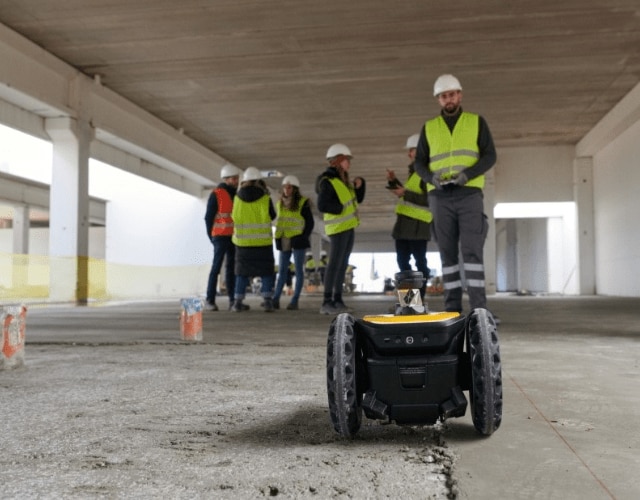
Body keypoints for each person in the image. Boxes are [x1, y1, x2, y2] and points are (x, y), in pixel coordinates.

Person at [414, 74, 497, 315]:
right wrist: (431, 179)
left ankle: (479, 309)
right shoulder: (429, 128)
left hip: (468, 194)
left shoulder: (476, 122)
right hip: (440, 197)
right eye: (443, 96)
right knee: (447, 254)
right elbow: (419, 162)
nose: (448, 99)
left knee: (472, 252)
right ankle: (452, 310)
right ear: (438, 100)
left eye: (451, 95)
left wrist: (467, 175)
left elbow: (490, 155)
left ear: (459, 95)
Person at [316, 143, 366, 315]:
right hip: (338, 228)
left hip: (348, 227)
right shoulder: (327, 181)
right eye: (346, 160)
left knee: (342, 264)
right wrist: (338, 209)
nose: (349, 163)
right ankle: (327, 301)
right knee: (334, 264)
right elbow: (322, 204)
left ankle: (337, 300)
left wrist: (361, 185)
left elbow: (356, 200)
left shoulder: (344, 181)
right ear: (336, 161)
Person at [386, 133, 433, 300]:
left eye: (411, 150)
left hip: (418, 228)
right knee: (403, 263)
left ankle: (418, 299)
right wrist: (394, 182)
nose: (409, 154)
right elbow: (409, 195)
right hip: (404, 227)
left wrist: (404, 192)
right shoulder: (414, 173)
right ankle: (409, 301)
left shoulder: (427, 173)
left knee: (420, 265)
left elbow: (429, 200)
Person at [231, 167, 277, 312]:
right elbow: (273, 216)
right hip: (262, 242)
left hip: (243, 243)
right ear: (258, 181)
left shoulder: (237, 198)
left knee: (241, 272)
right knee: (266, 272)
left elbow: (234, 217)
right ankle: (267, 301)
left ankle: (238, 302)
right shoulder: (265, 198)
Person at [204, 163, 245, 311]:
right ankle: (210, 300)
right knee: (216, 268)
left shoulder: (237, 195)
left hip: (232, 237)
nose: (236, 181)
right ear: (226, 179)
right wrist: (212, 237)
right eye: (234, 179)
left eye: (237, 179)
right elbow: (208, 218)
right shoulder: (217, 194)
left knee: (231, 269)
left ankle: (233, 300)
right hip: (220, 237)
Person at [272, 175, 315, 310]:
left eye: (289, 187)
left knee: (298, 270)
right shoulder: (279, 204)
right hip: (284, 238)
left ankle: (294, 300)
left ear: (295, 189)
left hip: (297, 240)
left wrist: (303, 236)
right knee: (282, 271)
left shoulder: (303, 202)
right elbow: (280, 222)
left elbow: (310, 223)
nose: (286, 190)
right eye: (284, 187)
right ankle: (276, 299)